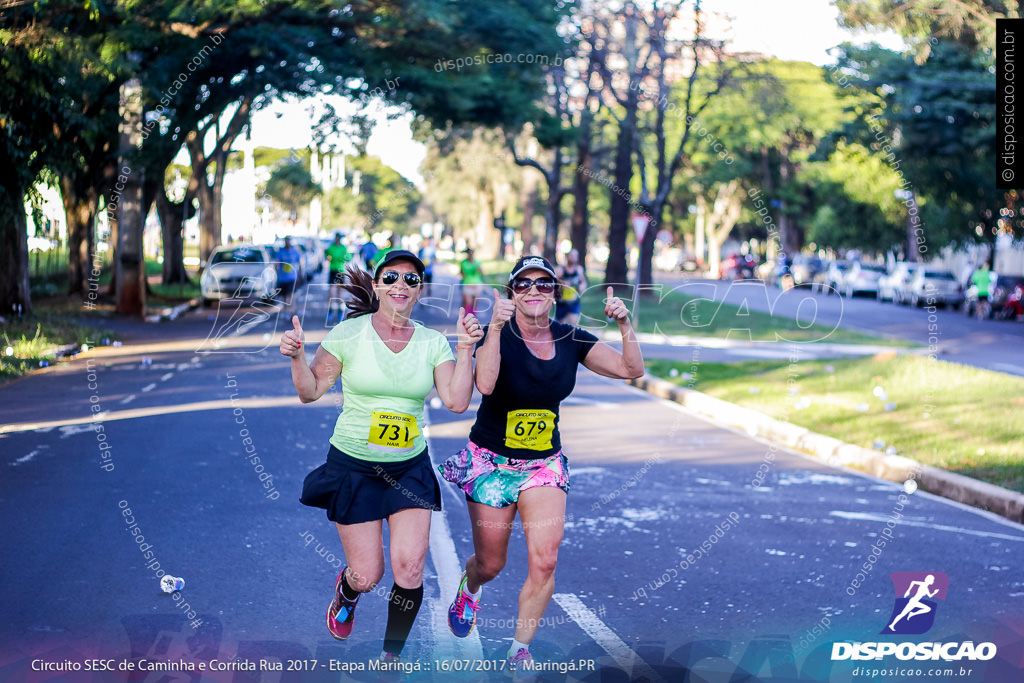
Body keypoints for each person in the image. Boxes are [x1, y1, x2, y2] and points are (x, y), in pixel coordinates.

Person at [439, 255, 644, 673]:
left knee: (545, 560)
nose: (535, 291)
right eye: (525, 284)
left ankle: (519, 648)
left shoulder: (572, 339)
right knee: (491, 564)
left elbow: (631, 368)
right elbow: (486, 384)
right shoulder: (498, 334)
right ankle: (471, 585)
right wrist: (494, 327)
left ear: (555, 293)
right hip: (491, 462)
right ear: (513, 293)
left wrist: (625, 325)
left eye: (544, 284)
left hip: (543, 466)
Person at [280, 249, 484, 662]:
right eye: (391, 277)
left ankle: (391, 654)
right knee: (368, 575)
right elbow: (310, 391)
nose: (400, 285)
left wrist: (465, 350)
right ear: (377, 285)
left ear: (420, 290)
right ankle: (347, 590)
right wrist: (298, 357)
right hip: (354, 465)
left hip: (408, 467)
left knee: (409, 568)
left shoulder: (432, 343)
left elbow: (458, 401)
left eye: (411, 279)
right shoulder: (348, 334)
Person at [554, 249, 587, 326]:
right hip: (561, 302)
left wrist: (582, 287)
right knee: (560, 325)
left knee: (573, 323)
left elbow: (583, 282)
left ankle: (571, 337)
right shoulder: (560, 270)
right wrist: (562, 285)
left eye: (576, 256)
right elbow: (553, 283)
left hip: (574, 302)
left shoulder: (579, 269)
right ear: (567, 256)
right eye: (572, 256)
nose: (574, 258)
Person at [325, 233, 351, 324]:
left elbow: (348, 257)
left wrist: (344, 258)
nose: (338, 240)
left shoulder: (343, 248)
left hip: (340, 271)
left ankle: (340, 311)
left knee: (339, 293)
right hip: (333, 270)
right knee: (331, 293)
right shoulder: (331, 247)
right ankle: (330, 310)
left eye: (339, 238)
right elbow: (327, 256)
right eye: (337, 238)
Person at [276, 237, 303, 310]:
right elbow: (277, 264)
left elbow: (300, 263)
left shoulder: (295, 252)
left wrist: (300, 274)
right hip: (283, 278)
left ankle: (291, 310)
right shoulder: (280, 252)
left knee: (291, 294)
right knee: (284, 296)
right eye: (286, 241)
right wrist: (277, 274)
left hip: (292, 277)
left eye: (288, 241)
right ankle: (286, 310)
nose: (287, 243)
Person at [460, 247, 484, 316]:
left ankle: (473, 315)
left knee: (475, 302)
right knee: (468, 302)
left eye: (471, 254)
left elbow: (481, 273)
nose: (470, 255)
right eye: (469, 254)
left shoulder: (477, 263)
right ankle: (468, 315)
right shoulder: (463, 263)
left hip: (476, 284)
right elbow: (462, 273)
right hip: (467, 284)